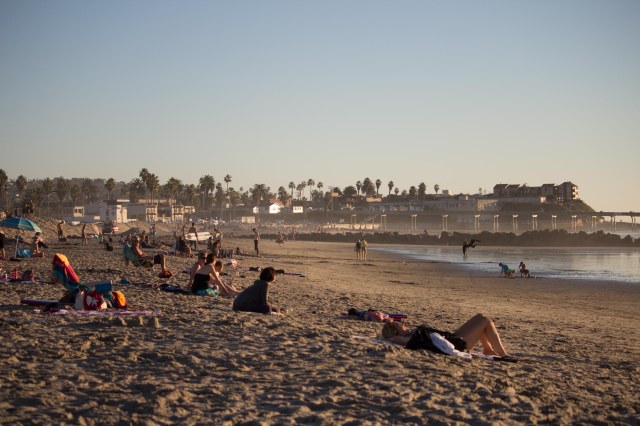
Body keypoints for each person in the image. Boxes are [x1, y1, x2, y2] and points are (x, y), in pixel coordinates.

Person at [381, 313, 516, 361]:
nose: (403, 324)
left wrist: (401, 330)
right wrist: (394, 333)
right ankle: (503, 354)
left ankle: (488, 349)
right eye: (400, 325)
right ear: (397, 332)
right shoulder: (406, 338)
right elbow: (392, 340)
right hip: (457, 344)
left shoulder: (411, 333)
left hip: (452, 337)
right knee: (486, 321)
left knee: (480, 317)